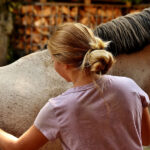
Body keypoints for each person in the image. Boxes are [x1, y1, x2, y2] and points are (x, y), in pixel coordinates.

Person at [0, 23, 150, 150]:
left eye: (53, 60)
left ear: (64, 63)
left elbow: (18, 147)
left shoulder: (58, 108)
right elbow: (146, 138)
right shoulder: (130, 87)